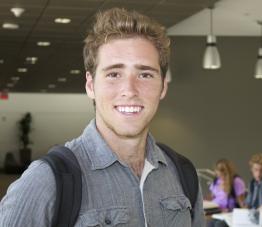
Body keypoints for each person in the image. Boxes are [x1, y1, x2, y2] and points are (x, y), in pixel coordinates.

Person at [0, 8, 204, 227]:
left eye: (145, 74)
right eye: (114, 74)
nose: (130, 90)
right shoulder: (46, 181)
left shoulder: (182, 174)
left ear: (163, 86)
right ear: (90, 85)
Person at [207, 159, 246, 227]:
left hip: (231, 213)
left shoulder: (236, 182)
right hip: (218, 212)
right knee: (210, 223)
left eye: (223, 175)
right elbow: (213, 197)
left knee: (219, 225)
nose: (221, 178)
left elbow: (242, 203)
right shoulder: (216, 181)